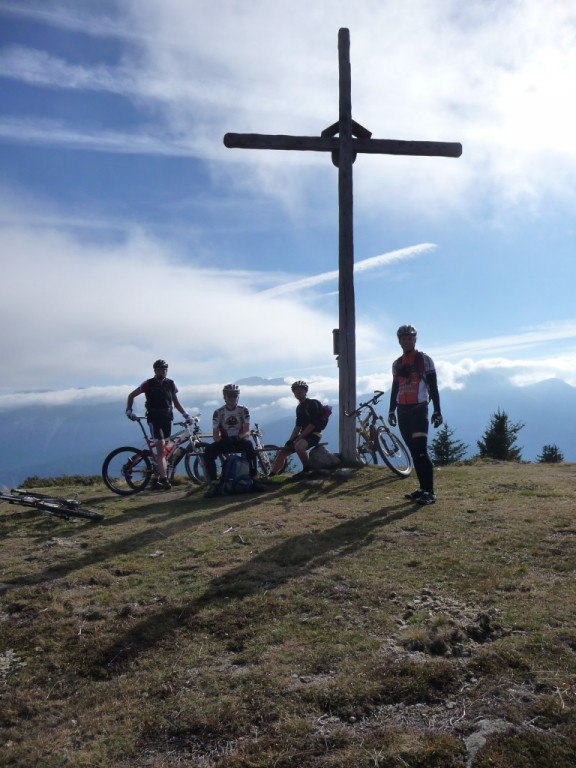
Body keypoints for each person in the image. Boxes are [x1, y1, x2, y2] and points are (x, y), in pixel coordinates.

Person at [388, 325, 443, 505]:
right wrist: (391, 410)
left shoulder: (424, 360)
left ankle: (431, 492)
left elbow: (433, 387)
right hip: (402, 410)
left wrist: (437, 410)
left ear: (415, 339)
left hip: (419, 409)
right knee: (413, 451)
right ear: (399, 341)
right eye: (404, 338)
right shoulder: (397, 364)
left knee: (421, 452)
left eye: (410, 338)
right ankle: (422, 489)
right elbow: (395, 387)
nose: (407, 341)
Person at [125, 359, 190, 491]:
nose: (162, 371)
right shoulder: (148, 384)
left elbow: (176, 403)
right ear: (155, 370)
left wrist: (186, 414)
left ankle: (155, 479)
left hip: (167, 418)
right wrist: (129, 410)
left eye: (164, 369)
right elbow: (131, 395)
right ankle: (164, 479)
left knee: (166, 449)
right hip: (154, 418)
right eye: (159, 369)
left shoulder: (171, 384)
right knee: (161, 448)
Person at [203, 384, 257, 496]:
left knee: (249, 446)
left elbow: (247, 432)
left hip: (239, 440)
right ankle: (214, 484)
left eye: (235, 395)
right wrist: (223, 441)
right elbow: (215, 435)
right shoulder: (218, 412)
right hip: (225, 441)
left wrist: (238, 438)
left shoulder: (244, 410)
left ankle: (254, 478)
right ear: (225, 396)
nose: (233, 398)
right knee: (208, 451)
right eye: (230, 395)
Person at [270, 380, 323, 475]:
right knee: (282, 452)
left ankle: (307, 469)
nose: (298, 392)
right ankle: (272, 475)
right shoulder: (299, 408)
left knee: (299, 447)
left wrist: (299, 437)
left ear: (305, 391)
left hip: (314, 434)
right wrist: (290, 440)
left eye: (301, 390)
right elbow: (298, 426)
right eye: (296, 391)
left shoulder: (312, 404)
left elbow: (312, 425)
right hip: (303, 436)